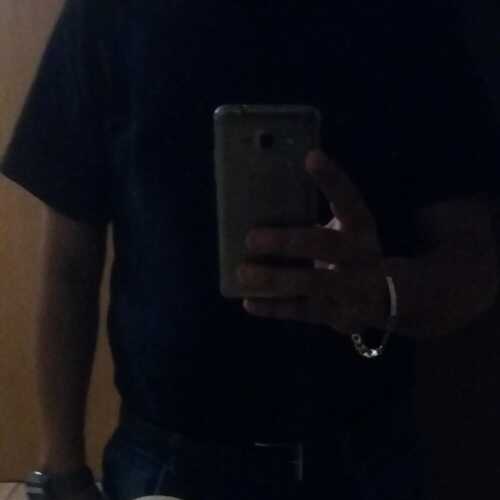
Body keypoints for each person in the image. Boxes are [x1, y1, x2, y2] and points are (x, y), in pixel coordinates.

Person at [2, 0, 499, 499]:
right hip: (168, 459)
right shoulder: (109, 12)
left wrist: (383, 296)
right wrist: (60, 470)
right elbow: (69, 262)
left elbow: (475, 261)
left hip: (365, 452)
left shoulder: (408, 17)